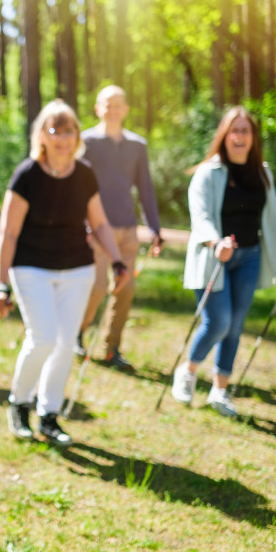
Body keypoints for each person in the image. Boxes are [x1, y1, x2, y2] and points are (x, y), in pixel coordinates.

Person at [0, 100, 128, 446]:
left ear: (77, 136)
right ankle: (19, 403)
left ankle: (49, 415)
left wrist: (116, 260)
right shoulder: (27, 174)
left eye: (68, 131)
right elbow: (8, 233)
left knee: (66, 343)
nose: (62, 138)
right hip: (31, 266)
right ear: (43, 135)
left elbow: (98, 222)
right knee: (44, 338)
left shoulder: (84, 174)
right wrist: (1, 284)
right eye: (55, 130)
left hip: (77, 268)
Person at [172, 106, 276, 417]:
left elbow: (274, 219)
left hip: (249, 257)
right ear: (224, 135)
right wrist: (215, 242)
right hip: (214, 258)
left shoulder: (261, 172)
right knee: (218, 322)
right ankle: (188, 370)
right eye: (234, 130)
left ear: (252, 138)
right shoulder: (208, 172)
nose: (239, 136)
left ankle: (219, 391)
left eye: (245, 131)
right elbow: (201, 216)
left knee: (235, 327)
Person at [77, 85, 163, 371]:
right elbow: (75, 186)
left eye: (118, 104)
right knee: (98, 286)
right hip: (97, 229)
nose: (113, 109)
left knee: (125, 290)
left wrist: (155, 228)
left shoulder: (137, 146)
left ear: (126, 109)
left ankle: (112, 348)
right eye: (107, 104)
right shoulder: (86, 142)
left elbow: (146, 188)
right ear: (98, 109)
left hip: (128, 228)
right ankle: (78, 332)